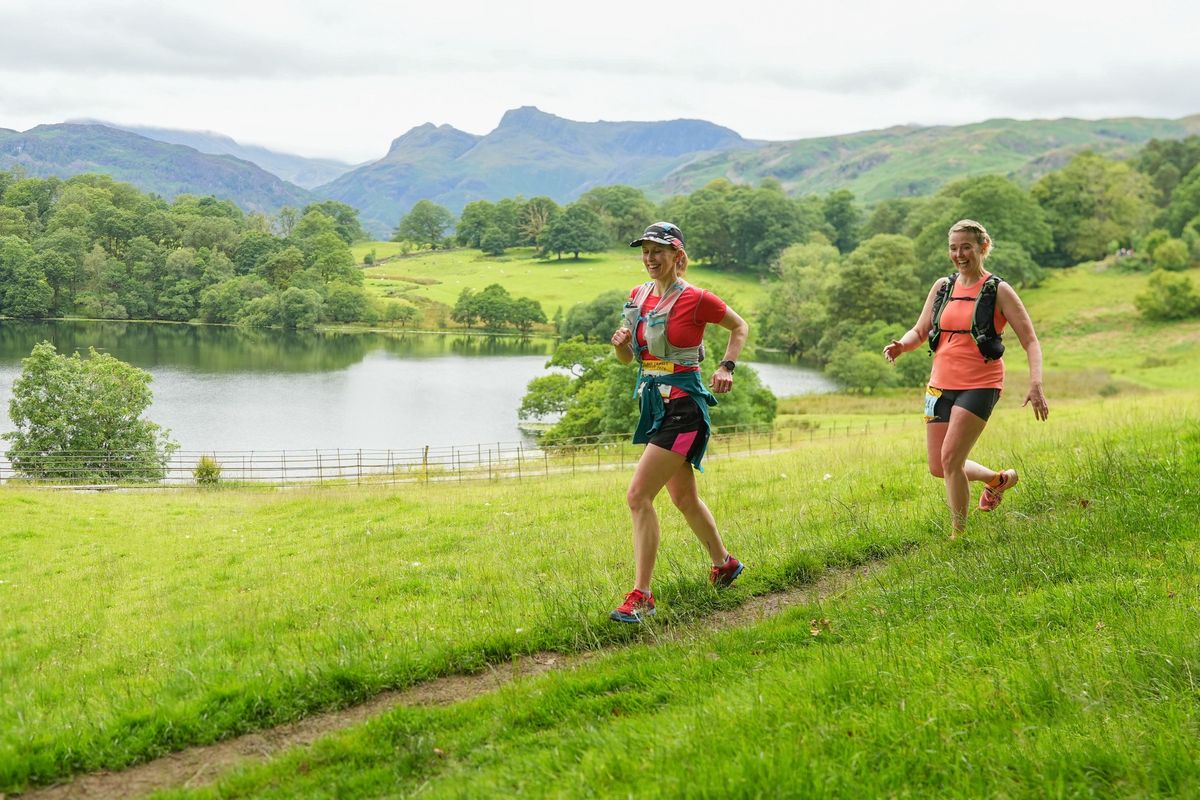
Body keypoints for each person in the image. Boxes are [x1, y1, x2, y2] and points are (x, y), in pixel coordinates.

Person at [608, 222, 750, 623]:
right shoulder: (637, 297)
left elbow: (740, 327)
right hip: (654, 404)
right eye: (646, 251)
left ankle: (642, 596)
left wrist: (727, 366)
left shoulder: (697, 299)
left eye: (659, 251)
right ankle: (724, 564)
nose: (651, 258)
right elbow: (630, 360)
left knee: (638, 496)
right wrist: (620, 347)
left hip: (685, 408)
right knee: (683, 498)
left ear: (677, 256)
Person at [883, 219, 1049, 538]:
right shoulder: (942, 287)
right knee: (939, 466)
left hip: (980, 384)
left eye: (966, 247)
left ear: (983, 248)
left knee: (950, 459)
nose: (959, 254)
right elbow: (920, 331)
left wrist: (1036, 382)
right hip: (939, 385)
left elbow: (1030, 340)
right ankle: (998, 480)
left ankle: (958, 535)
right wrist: (902, 345)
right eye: (953, 248)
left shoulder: (998, 290)